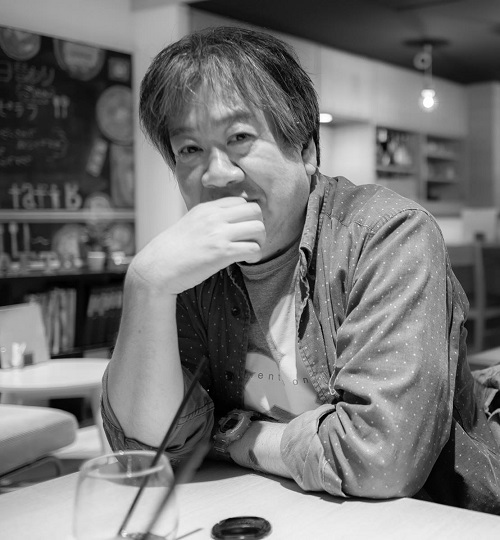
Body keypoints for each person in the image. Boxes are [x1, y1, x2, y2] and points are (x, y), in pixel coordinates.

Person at [101, 26, 500, 513]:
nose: (216, 173)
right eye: (189, 149)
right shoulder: (192, 271)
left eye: (240, 138)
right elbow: (149, 452)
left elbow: (380, 460)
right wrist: (146, 284)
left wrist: (236, 437)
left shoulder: (388, 235)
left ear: (306, 150)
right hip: (274, 512)